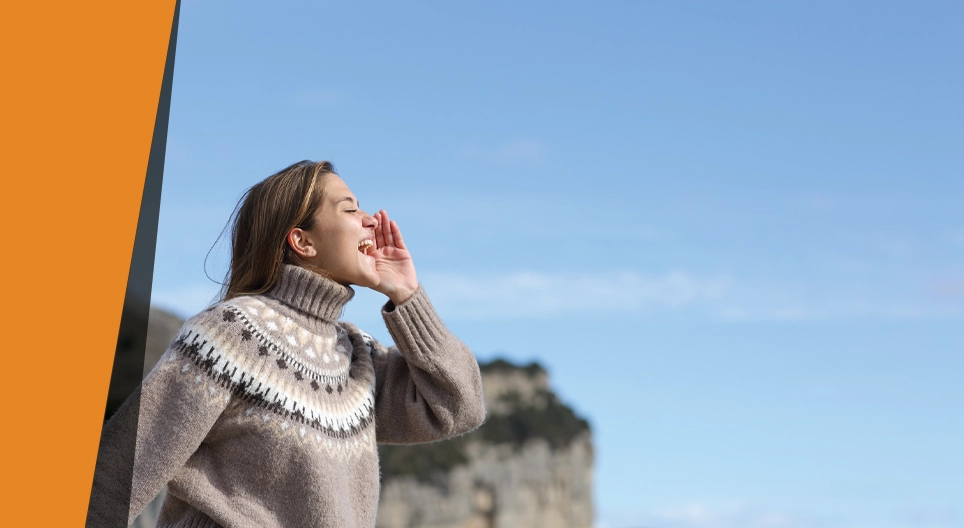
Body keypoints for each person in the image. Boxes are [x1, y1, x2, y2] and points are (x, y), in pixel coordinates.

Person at [87, 160, 487, 528]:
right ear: (302, 241)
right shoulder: (231, 332)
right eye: (349, 209)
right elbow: (119, 473)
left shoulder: (356, 356)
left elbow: (458, 405)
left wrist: (407, 294)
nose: (370, 219)